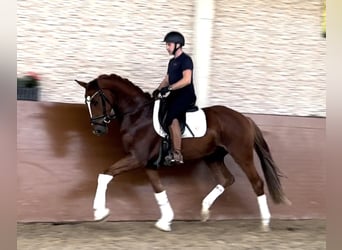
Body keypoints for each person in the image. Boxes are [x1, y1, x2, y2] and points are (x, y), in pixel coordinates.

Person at [152, 31, 197, 165]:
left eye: (169, 44)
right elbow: (167, 79)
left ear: (178, 45)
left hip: (186, 95)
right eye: (166, 45)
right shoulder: (172, 62)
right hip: (175, 94)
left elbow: (187, 80)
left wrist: (170, 88)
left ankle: (177, 153)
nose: (167, 47)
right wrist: (158, 90)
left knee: (172, 116)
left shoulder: (186, 60)